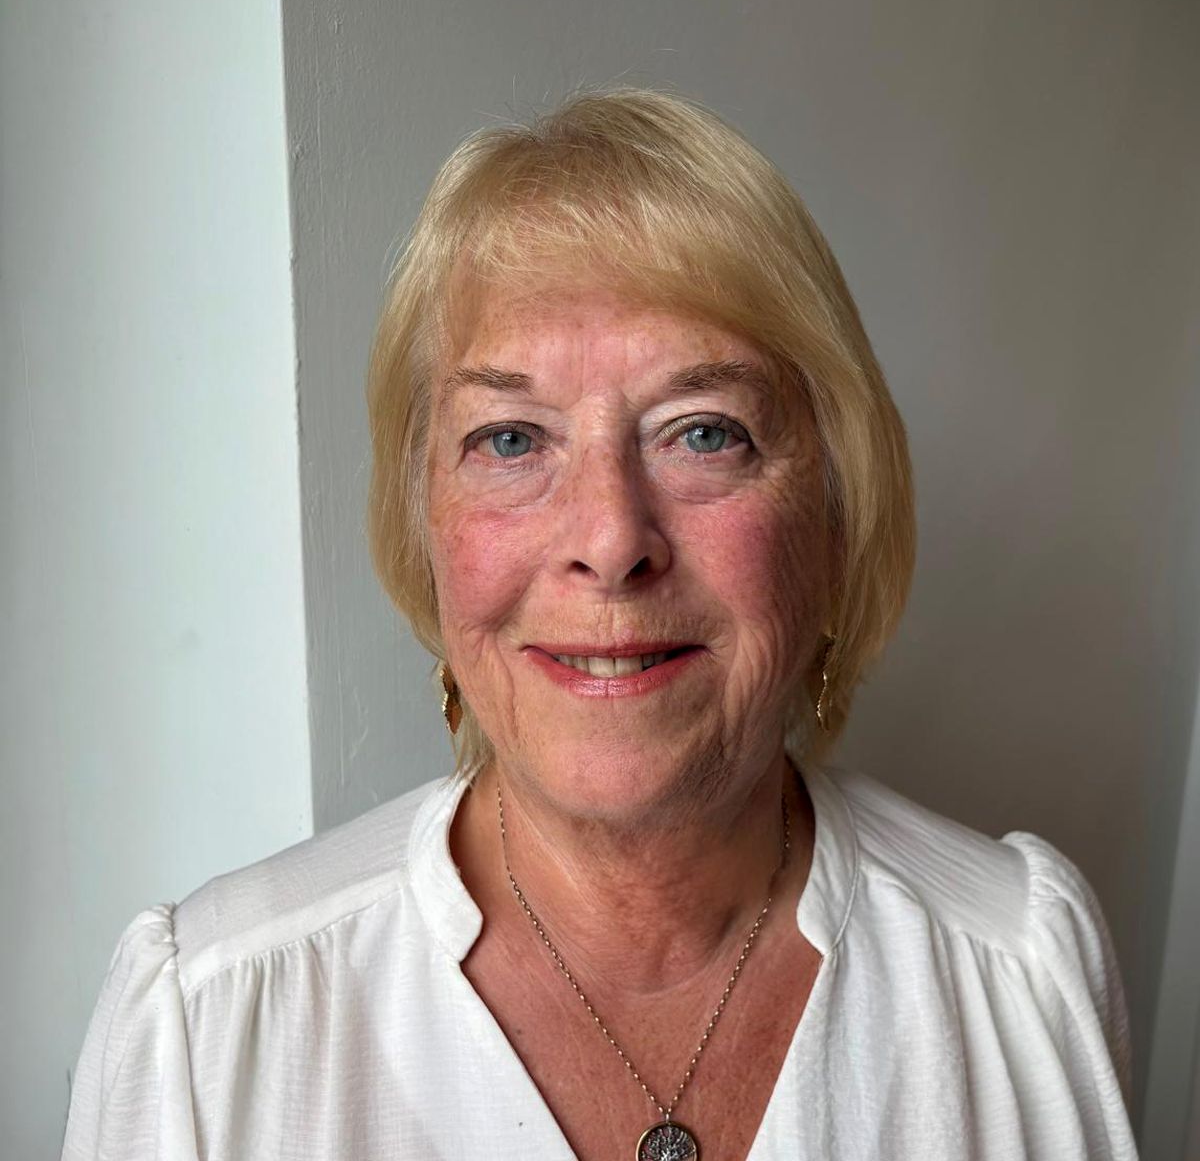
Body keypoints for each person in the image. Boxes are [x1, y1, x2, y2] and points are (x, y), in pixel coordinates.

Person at [62, 88, 1137, 1161]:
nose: (612, 538)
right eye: (513, 440)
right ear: (421, 523)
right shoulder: (211, 1033)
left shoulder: (1021, 966)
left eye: (703, 431)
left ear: (836, 512)